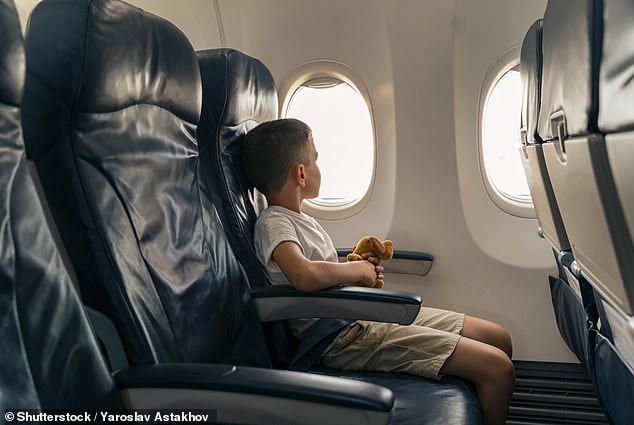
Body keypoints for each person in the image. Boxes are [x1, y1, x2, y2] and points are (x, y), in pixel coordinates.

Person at [241, 118, 515, 425]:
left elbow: (320, 272)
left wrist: (354, 267)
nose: (319, 165)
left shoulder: (300, 218)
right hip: (340, 338)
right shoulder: (274, 223)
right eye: (315, 158)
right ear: (301, 173)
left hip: (356, 316)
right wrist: (354, 271)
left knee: (498, 337)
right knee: (497, 369)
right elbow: (304, 275)